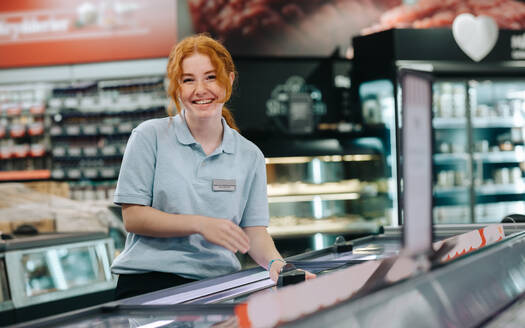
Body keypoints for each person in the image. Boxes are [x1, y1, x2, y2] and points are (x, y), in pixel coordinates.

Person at [111, 34, 314, 300]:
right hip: (148, 286)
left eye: (210, 77)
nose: (200, 89)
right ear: (176, 86)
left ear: (228, 80)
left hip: (217, 287)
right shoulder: (149, 136)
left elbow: (254, 231)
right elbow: (133, 218)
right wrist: (199, 224)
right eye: (188, 80)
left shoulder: (249, 154)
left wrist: (278, 265)